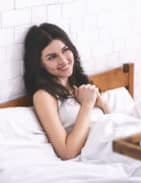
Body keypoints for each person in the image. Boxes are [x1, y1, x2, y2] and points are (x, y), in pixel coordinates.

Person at [23, 23, 111, 160]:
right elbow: (66, 152)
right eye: (52, 57)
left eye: (65, 50)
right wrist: (87, 105)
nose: (63, 60)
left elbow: (112, 122)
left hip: (118, 138)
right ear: (39, 63)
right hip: (105, 150)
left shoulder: (79, 84)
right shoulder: (44, 96)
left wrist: (102, 104)